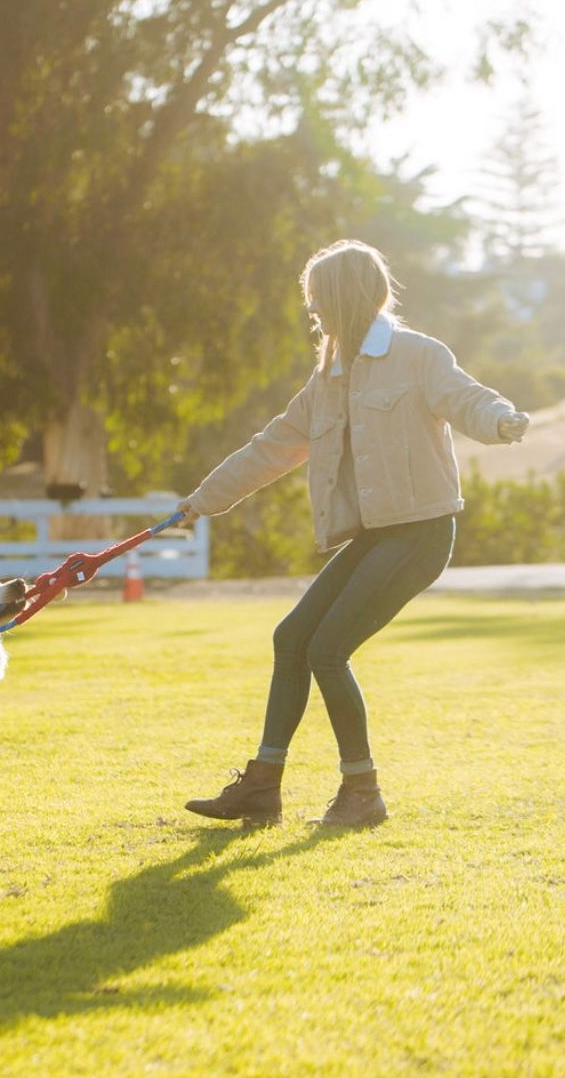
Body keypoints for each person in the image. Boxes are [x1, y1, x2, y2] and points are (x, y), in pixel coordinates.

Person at [178, 238, 529, 831]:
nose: (311, 309)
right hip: (373, 535)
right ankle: (262, 788)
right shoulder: (327, 378)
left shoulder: (418, 356)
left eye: (318, 298)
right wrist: (199, 502)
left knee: (327, 649)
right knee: (292, 639)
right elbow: (271, 447)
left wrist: (499, 418)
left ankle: (362, 792)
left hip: (419, 533)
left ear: (347, 297)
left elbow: (465, 397)